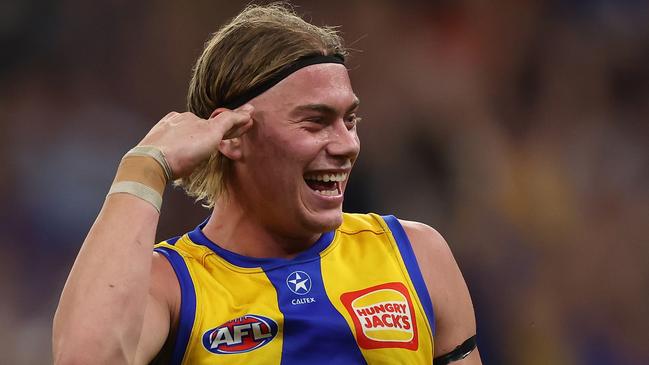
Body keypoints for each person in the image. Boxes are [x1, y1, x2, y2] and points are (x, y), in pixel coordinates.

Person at [52, 3, 481, 364]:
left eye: (349, 119)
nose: (348, 144)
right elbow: (85, 357)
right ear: (233, 136)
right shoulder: (172, 285)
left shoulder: (416, 256)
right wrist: (144, 169)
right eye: (316, 121)